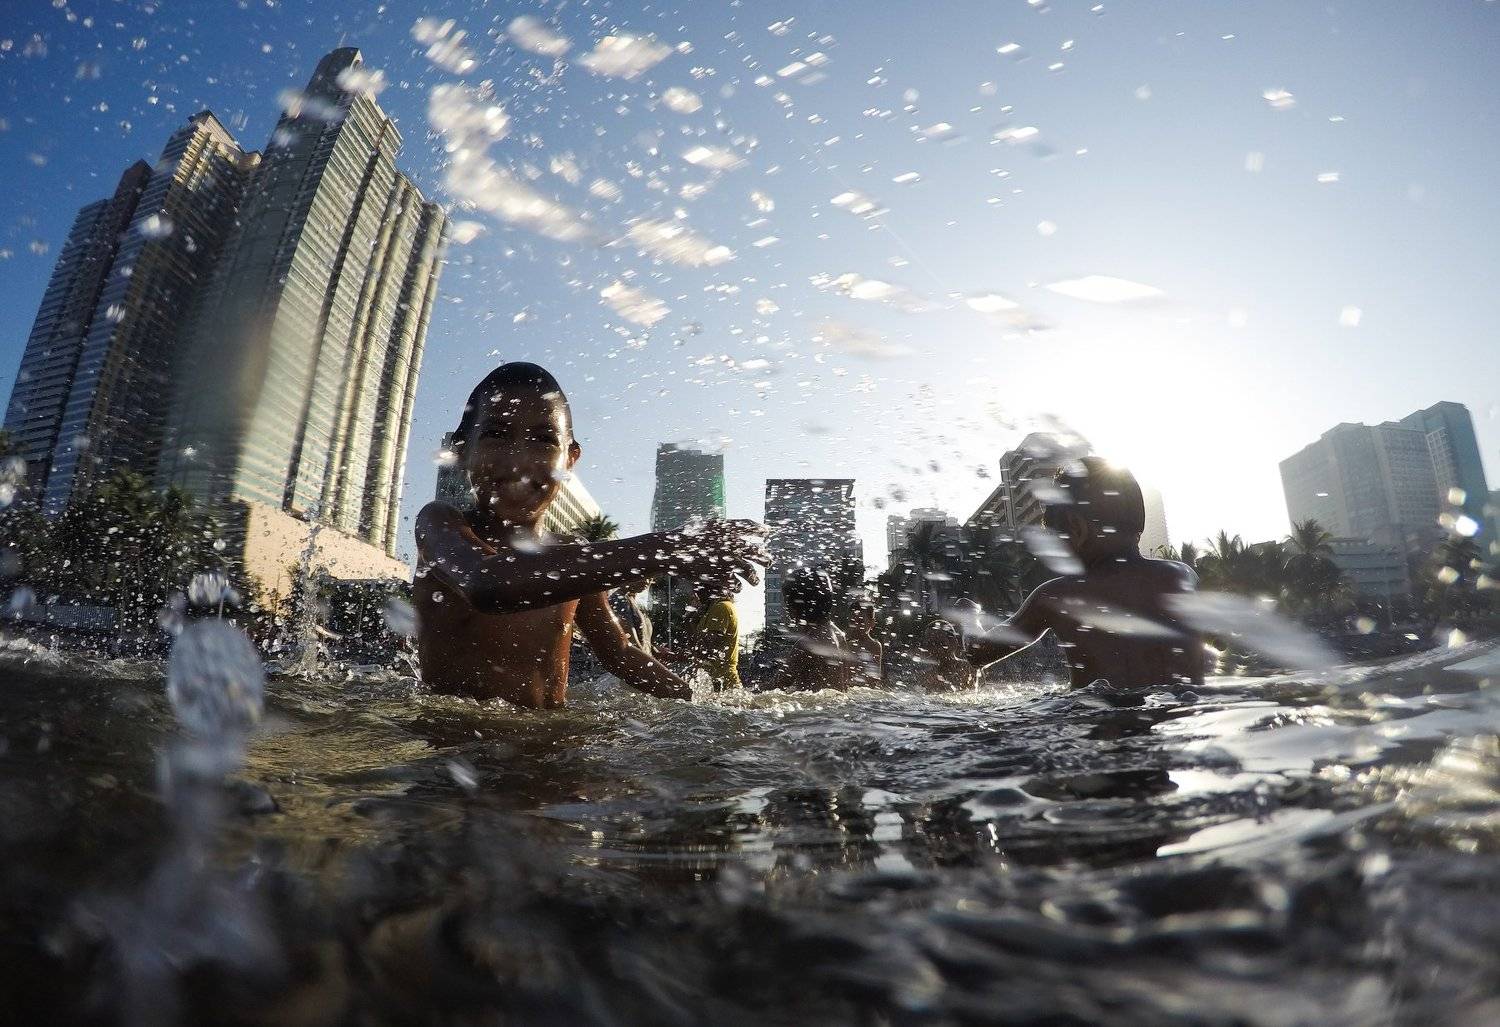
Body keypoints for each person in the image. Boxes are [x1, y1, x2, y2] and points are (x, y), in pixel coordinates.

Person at [414, 363, 767, 708]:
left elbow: (620, 652)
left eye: (543, 440)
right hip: (458, 741)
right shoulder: (439, 524)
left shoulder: (572, 556)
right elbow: (487, 584)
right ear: (461, 451)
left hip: (554, 741)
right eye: (496, 434)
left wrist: (701, 705)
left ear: (570, 459)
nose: (519, 461)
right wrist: (666, 548)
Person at [963, 457, 1205, 688]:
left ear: (1076, 528)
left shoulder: (1057, 596)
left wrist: (969, 618)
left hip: (1094, 714)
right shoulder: (1182, 577)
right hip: (1178, 710)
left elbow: (977, 653)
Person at [768, 567, 854, 692]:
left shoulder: (807, 644)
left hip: (816, 705)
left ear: (797, 606)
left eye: (788, 602)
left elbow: (776, 686)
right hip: (836, 703)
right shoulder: (839, 634)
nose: (787, 609)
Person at [682, 578, 741, 690]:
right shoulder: (711, 610)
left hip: (724, 682)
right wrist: (690, 620)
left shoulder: (722, 607)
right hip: (714, 681)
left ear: (710, 588)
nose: (696, 593)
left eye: (699, 588)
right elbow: (698, 648)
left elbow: (706, 650)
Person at [917, 618, 980, 692]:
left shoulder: (969, 670)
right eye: (930, 643)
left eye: (939, 643)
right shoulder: (925, 676)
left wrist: (947, 687)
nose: (934, 648)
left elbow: (975, 694)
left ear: (954, 642)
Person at [609, 578, 654, 655]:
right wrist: (647, 659)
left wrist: (655, 650)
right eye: (643, 577)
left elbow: (643, 639)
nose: (646, 582)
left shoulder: (631, 599)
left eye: (650, 579)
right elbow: (631, 641)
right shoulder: (619, 600)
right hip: (634, 658)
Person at [844, 597, 884, 684]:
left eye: (860, 621)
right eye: (853, 621)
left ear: (872, 623)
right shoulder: (845, 643)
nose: (856, 625)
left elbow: (874, 679)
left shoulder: (874, 646)